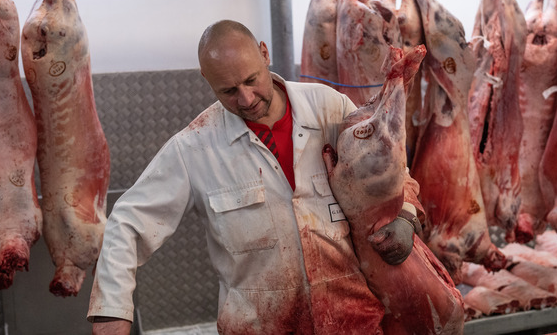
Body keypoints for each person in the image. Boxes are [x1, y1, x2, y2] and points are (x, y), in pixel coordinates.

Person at [88, 20, 423, 334]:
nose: (246, 99)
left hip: (353, 322)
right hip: (260, 326)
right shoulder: (195, 147)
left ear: (264, 53)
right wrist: (112, 312)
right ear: (207, 79)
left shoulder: (328, 108)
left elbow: (389, 165)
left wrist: (406, 216)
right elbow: (127, 223)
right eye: (229, 91)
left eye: (251, 81)